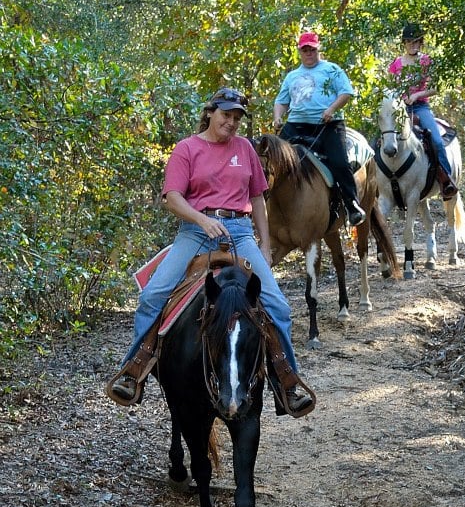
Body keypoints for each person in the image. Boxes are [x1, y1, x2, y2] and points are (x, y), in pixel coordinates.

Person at [106, 87, 314, 417]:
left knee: (277, 304)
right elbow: (173, 197)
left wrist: (263, 242)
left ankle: (286, 381)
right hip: (196, 232)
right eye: (226, 115)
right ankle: (133, 371)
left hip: (240, 232)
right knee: (154, 294)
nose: (231, 122)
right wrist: (202, 220)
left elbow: (258, 198)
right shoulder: (187, 149)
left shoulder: (245, 148)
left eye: (236, 118)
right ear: (210, 113)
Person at [273, 32, 366, 226]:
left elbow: (346, 92)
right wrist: (278, 117)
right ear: (299, 51)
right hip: (296, 124)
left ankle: (352, 205)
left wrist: (331, 109)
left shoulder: (332, 70)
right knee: (271, 158)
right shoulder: (292, 76)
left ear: (318, 49)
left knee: (339, 162)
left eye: (312, 49)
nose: (308, 53)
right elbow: (281, 101)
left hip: (327, 125)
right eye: (305, 49)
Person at [388, 23, 458, 199]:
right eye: (410, 41)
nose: (413, 45)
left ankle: (446, 181)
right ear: (404, 42)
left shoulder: (426, 61)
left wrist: (417, 94)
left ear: (421, 43)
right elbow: (389, 86)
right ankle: (377, 181)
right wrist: (399, 97)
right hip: (400, 108)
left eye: (417, 41)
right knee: (383, 137)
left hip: (420, 107)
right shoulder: (396, 63)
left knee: (436, 140)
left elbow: (435, 88)